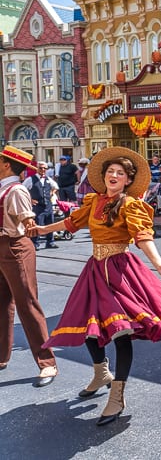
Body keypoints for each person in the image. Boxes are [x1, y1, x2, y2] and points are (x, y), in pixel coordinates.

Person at [33, 146, 161, 426]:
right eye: (110, 171)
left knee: (121, 333)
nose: (114, 175)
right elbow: (71, 223)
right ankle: (101, 373)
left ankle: (117, 395)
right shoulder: (93, 202)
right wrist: (42, 230)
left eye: (120, 173)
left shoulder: (130, 204)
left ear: (127, 180)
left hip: (120, 271)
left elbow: (143, 235)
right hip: (95, 270)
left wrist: (158, 264)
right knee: (86, 326)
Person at [0, 145, 59, 387]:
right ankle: (1, 356)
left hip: (15, 247)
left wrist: (29, 221)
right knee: (2, 304)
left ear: (6, 165)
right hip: (2, 245)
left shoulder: (16, 190)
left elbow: (28, 222)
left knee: (27, 304)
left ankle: (48, 363)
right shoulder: (5, 188)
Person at [23, 160, 60, 250]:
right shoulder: (30, 179)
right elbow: (22, 190)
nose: (43, 170)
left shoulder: (48, 179)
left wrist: (52, 192)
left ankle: (50, 242)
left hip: (48, 206)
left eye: (45, 168)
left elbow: (56, 187)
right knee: (37, 224)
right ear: (37, 168)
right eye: (41, 168)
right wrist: (30, 200)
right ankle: (34, 243)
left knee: (50, 224)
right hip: (37, 207)